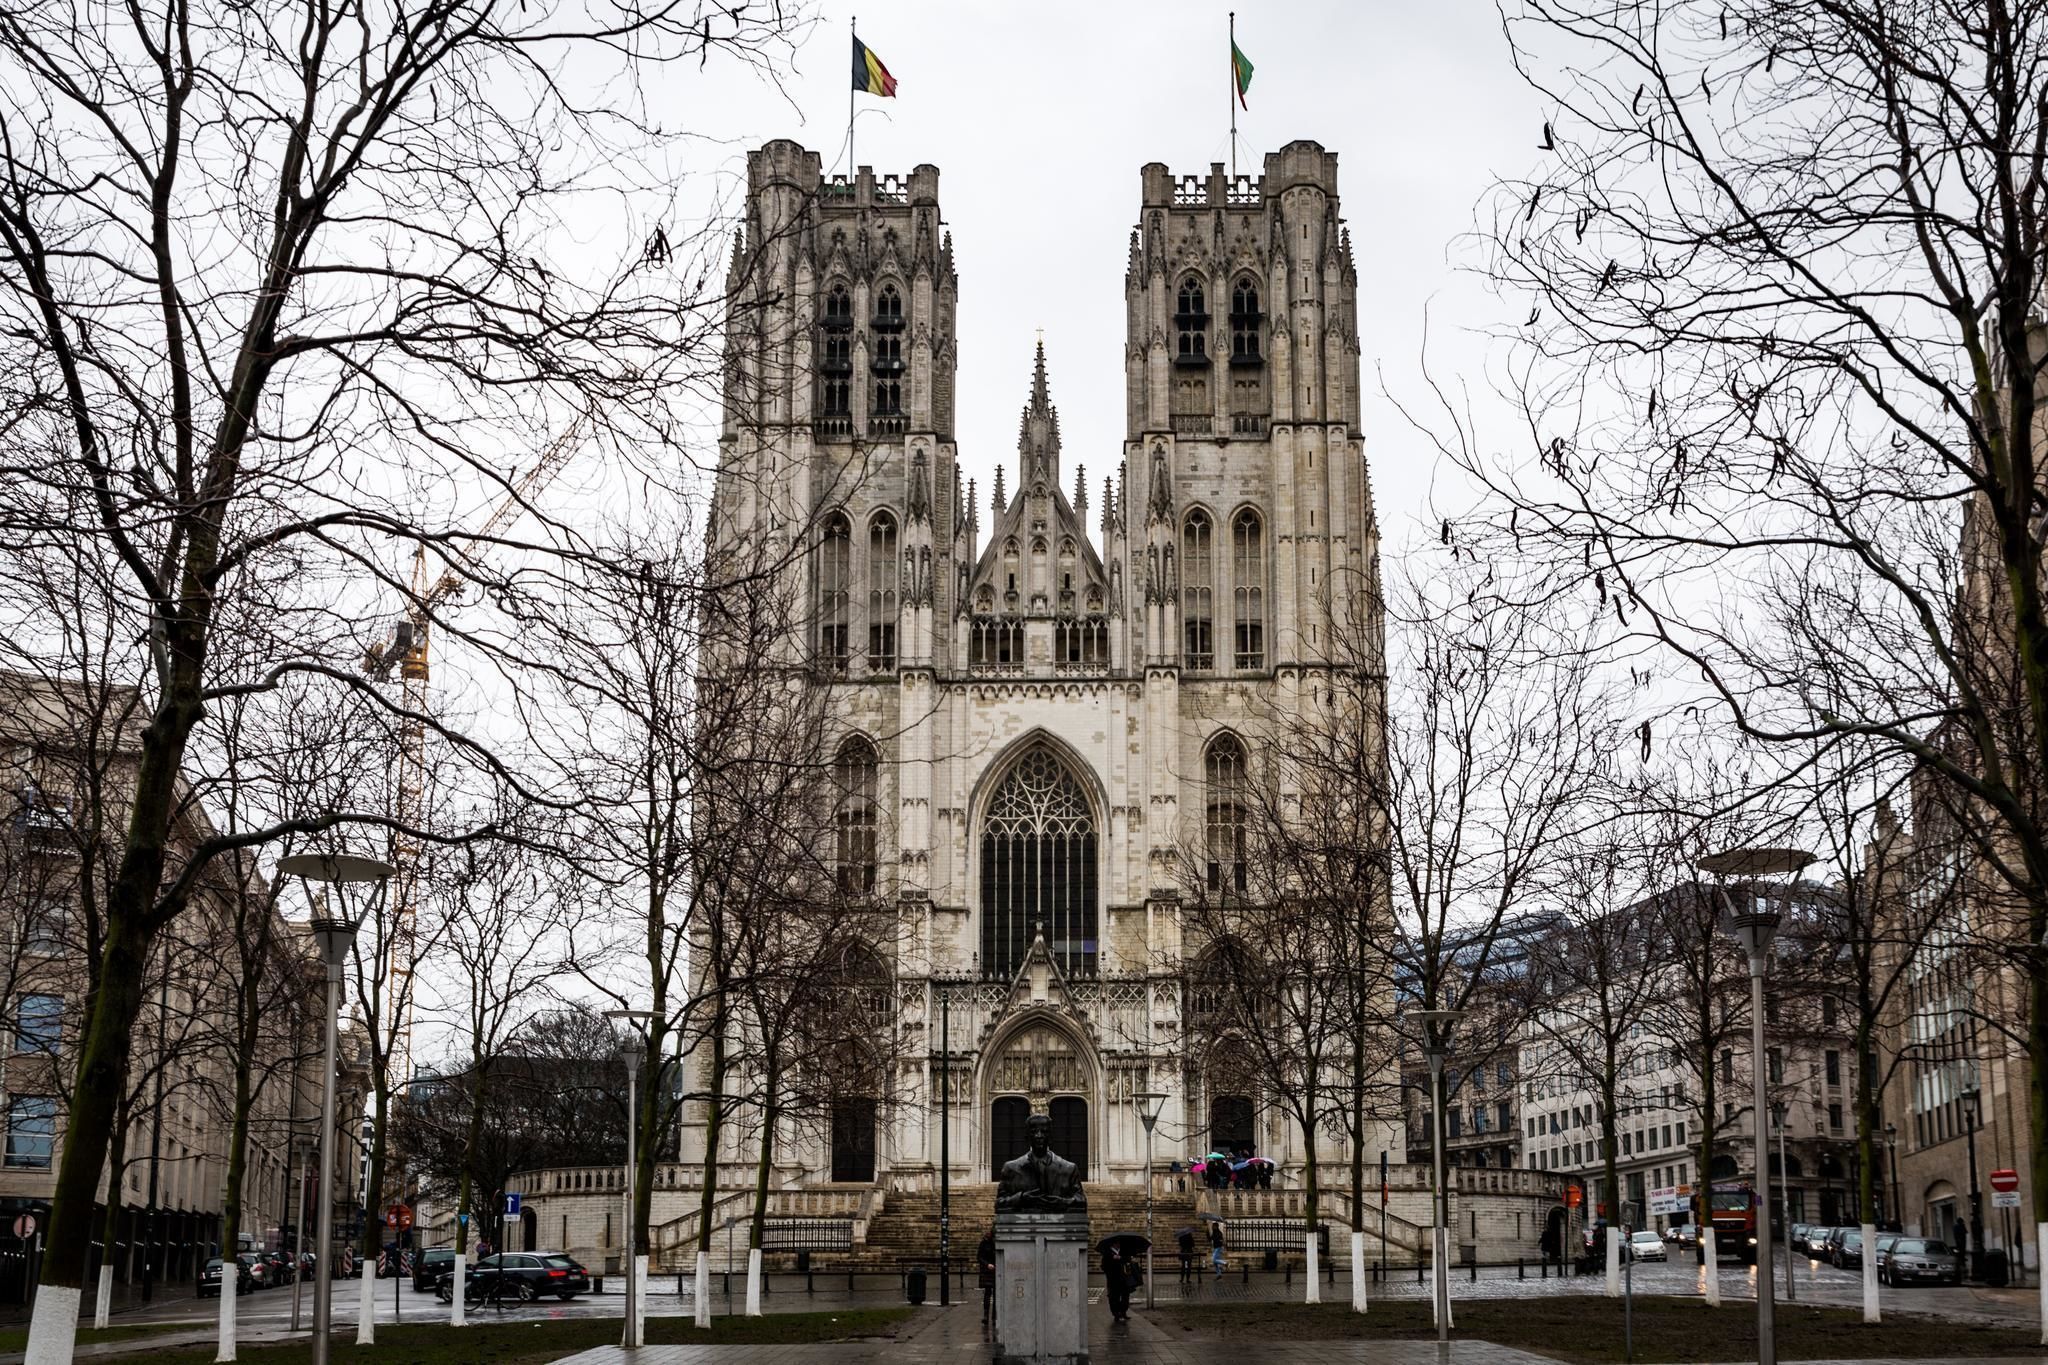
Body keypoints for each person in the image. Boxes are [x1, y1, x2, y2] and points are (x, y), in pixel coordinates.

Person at [1103, 1244, 1131, 1321]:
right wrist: (1112, 1259)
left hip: (1124, 1278)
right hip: (1113, 1279)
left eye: (1119, 1243)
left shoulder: (1124, 1251)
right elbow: (1104, 1266)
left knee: (1125, 1296)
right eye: (1116, 1243)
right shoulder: (1107, 1253)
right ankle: (1116, 1313)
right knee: (1114, 1296)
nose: (1118, 1244)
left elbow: (1128, 1260)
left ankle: (1123, 1312)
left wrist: (1121, 1258)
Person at [977, 1230, 997, 1330]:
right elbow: (979, 1257)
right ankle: (986, 1316)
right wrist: (987, 1264)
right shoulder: (983, 1244)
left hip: (996, 1270)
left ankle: (994, 1316)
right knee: (988, 1293)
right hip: (987, 1270)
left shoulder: (996, 1243)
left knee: (997, 1294)